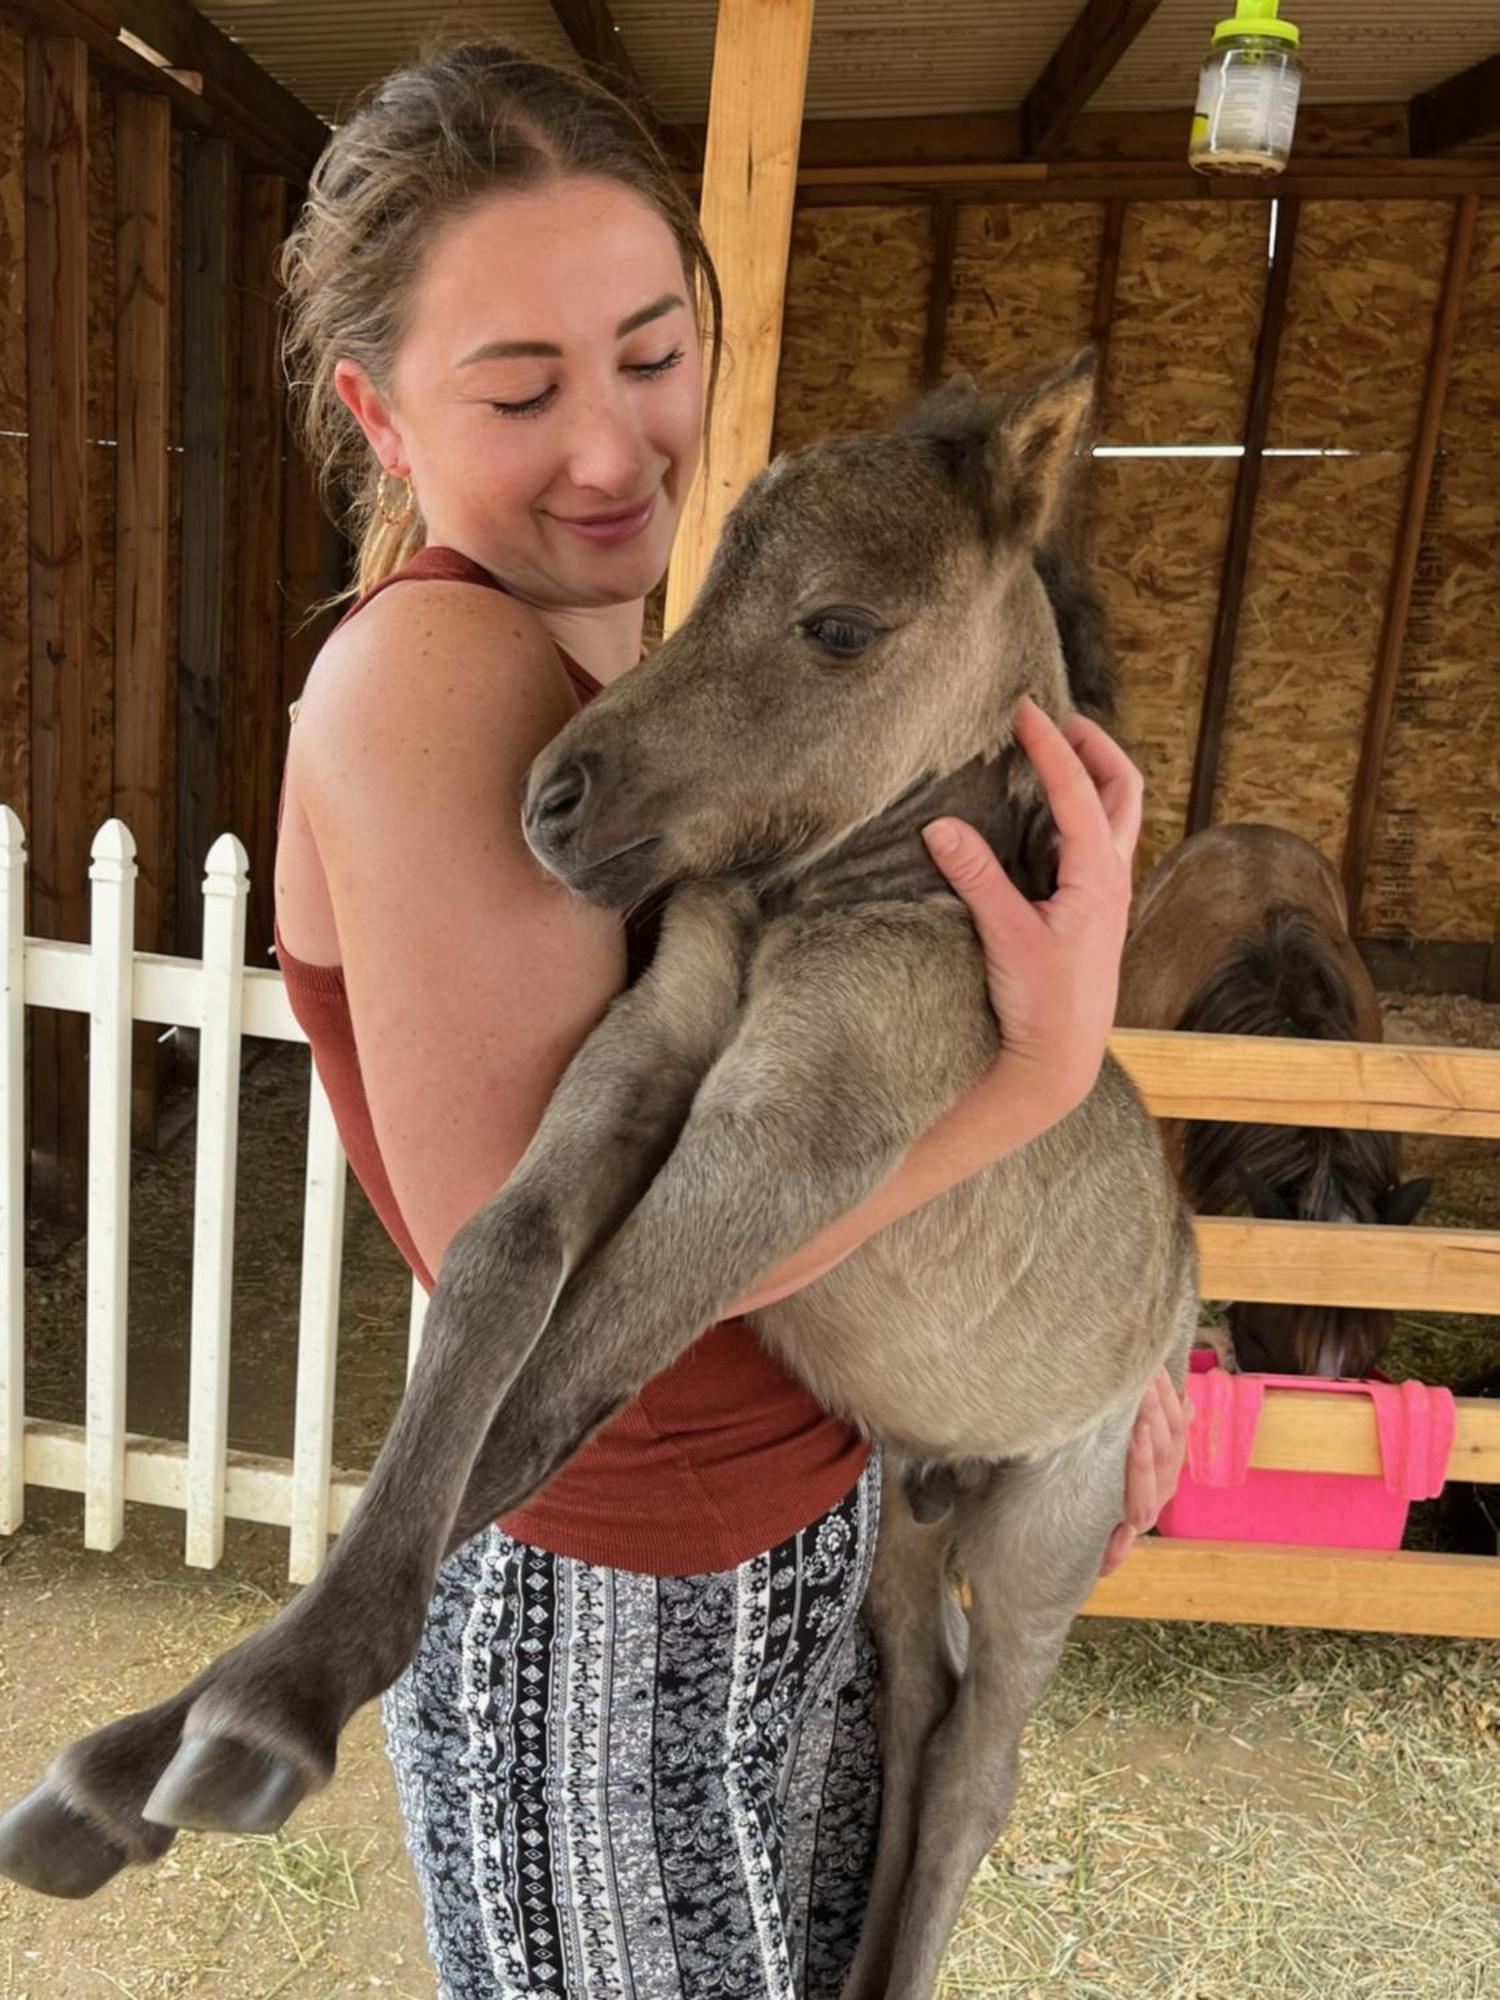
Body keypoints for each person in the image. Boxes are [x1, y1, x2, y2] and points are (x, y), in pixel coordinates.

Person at [273, 41, 1187, 2000]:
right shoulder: (440, 674)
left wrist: (1117, 1317)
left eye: (649, 351)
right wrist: (1035, 1073)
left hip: (795, 1543)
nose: (613, 448)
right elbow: (586, 1255)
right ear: (380, 410)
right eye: (519, 387)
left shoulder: (656, 647)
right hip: (613, 1590)